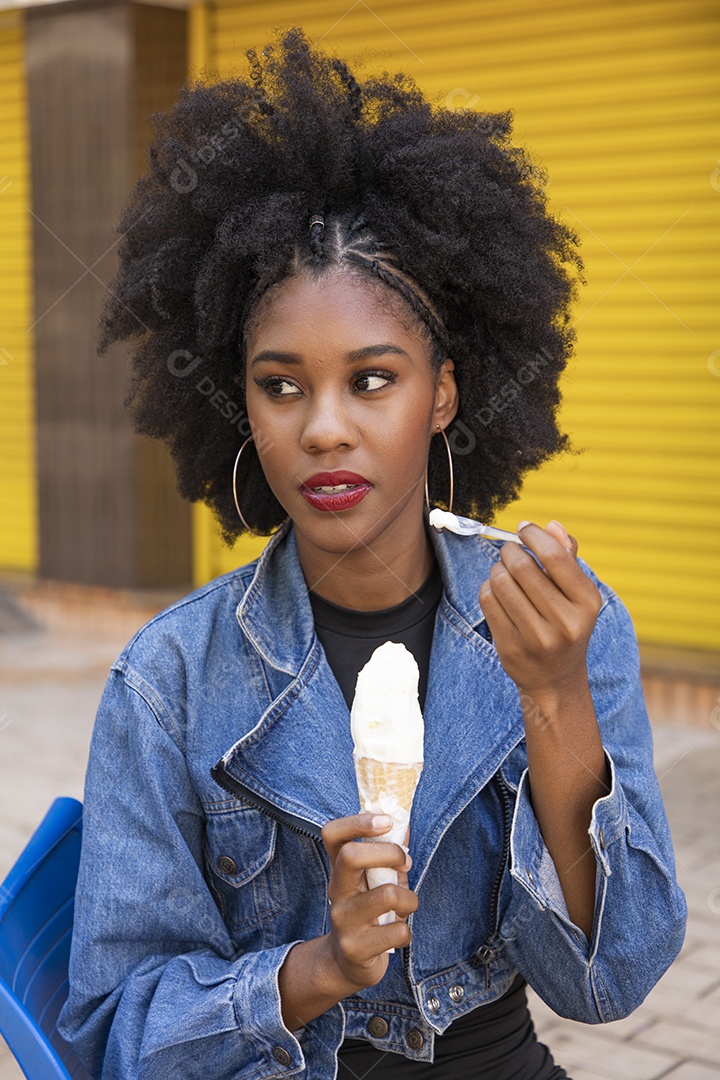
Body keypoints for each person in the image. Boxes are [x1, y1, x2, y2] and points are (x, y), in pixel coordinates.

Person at [58, 28, 686, 1080]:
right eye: (283, 383)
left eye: (374, 379)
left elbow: (609, 981)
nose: (325, 430)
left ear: (443, 392)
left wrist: (556, 702)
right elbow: (117, 1037)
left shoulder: (565, 628)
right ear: (241, 406)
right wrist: (316, 967)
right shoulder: (168, 681)